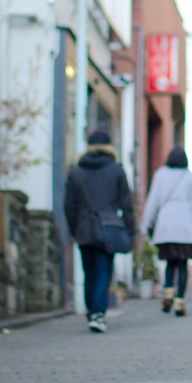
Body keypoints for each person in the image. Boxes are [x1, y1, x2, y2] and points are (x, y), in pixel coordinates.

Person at [64, 130, 135, 333]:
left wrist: (74, 228)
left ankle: (92, 312)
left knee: (90, 273)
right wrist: (129, 231)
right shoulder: (116, 170)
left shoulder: (76, 171)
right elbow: (127, 204)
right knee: (104, 271)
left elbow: (69, 205)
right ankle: (98, 314)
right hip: (109, 228)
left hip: (84, 229)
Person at [140, 147, 192, 317]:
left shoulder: (160, 174)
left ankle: (167, 294)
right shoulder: (190, 177)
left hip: (165, 226)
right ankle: (180, 301)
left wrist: (145, 224)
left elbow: (153, 200)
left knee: (169, 262)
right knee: (182, 264)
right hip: (185, 227)